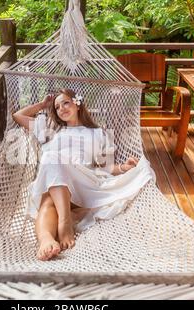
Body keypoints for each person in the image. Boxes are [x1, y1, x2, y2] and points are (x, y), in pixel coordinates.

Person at [12, 88, 154, 261]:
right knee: (49, 196)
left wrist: (124, 167)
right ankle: (46, 240)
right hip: (56, 184)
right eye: (57, 107)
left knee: (51, 161)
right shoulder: (51, 129)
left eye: (66, 103)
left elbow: (105, 167)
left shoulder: (97, 133)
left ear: (77, 104)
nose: (61, 108)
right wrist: (43, 105)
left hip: (82, 182)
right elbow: (18, 116)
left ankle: (64, 222)